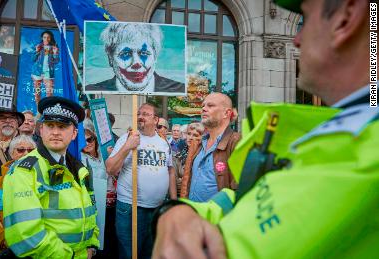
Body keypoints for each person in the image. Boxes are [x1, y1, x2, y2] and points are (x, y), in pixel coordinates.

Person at [152, 0, 377, 258]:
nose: (296, 39)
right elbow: (248, 199)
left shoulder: (365, 148)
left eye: (305, 18)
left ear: (347, 17)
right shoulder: (343, 130)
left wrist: (180, 216)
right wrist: (180, 212)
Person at [3, 96, 99, 258]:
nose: (55, 132)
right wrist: (71, 256)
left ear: (75, 133)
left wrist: (91, 245)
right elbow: (26, 234)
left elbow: (91, 213)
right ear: (41, 130)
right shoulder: (23, 170)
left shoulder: (80, 169)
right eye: (50, 125)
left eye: (62, 127)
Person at [105, 103, 177, 259]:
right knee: (129, 253)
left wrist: (174, 201)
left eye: (145, 114)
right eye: (138, 113)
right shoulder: (127, 138)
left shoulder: (163, 143)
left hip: (156, 209)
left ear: (156, 119)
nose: (140, 116)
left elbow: (170, 170)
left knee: (150, 253)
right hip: (131, 208)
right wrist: (127, 147)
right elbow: (110, 168)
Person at [86, 23, 184, 94]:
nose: (136, 63)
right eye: (125, 54)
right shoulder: (92, 89)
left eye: (144, 53)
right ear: (110, 58)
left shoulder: (179, 89)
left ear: (155, 57)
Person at [0, 135, 37, 259]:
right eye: (21, 150)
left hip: (36, 247)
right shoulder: (1, 181)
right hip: (4, 249)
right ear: (12, 154)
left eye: (31, 150)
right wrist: (2, 239)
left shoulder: (44, 179)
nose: (26, 153)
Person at [180, 93, 241, 202]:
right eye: (203, 105)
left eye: (210, 105)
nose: (203, 108)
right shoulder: (197, 143)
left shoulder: (236, 142)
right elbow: (186, 182)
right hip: (192, 214)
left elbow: (240, 188)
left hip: (218, 217)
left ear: (226, 113)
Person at [81, 128, 118, 259]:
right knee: (99, 238)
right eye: (83, 140)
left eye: (90, 139)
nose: (87, 143)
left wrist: (111, 157)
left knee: (110, 237)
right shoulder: (80, 158)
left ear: (95, 140)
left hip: (112, 204)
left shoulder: (103, 155)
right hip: (95, 206)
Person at [172, 122, 204, 197]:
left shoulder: (203, 155)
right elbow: (175, 181)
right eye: (189, 134)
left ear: (201, 138)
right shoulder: (179, 155)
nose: (191, 137)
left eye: (195, 135)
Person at [31, 30, 59, 105]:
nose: (46, 39)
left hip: (48, 73)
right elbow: (33, 59)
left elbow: (56, 62)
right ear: (42, 38)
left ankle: (47, 111)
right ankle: (38, 111)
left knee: (49, 94)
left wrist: (55, 53)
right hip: (37, 72)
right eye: (44, 37)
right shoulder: (39, 46)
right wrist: (36, 51)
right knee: (37, 94)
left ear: (51, 38)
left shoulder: (54, 47)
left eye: (48, 37)